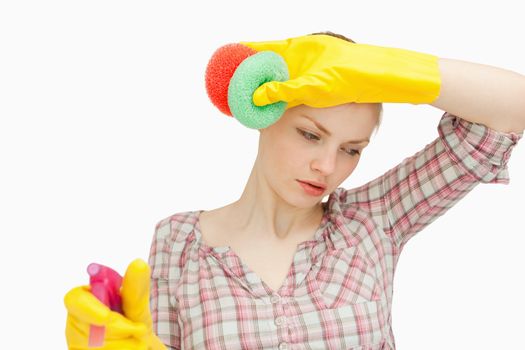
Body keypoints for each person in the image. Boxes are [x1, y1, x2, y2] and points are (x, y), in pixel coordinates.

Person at [64, 31, 525, 349]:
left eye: (352, 149)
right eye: (310, 135)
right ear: (266, 113)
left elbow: (513, 108)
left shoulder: (375, 220)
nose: (327, 166)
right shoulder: (179, 242)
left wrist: (381, 69)